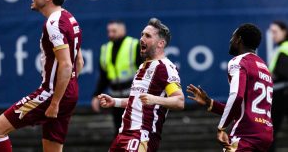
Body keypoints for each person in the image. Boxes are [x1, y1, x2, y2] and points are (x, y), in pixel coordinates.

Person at [0, 0, 84, 152]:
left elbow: (66, 65)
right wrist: (68, 88)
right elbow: (79, 60)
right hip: (68, 92)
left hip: (52, 93)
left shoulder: (53, 23)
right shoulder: (70, 18)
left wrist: (55, 102)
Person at [98, 18, 184, 152]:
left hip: (142, 135)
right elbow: (138, 100)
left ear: (161, 43)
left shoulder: (165, 67)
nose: (142, 39)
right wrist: (114, 101)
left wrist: (155, 99)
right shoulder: (143, 66)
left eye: (148, 36)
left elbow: (179, 101)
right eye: (142, 34)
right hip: (123, 133)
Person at [187, 24, 273, 152]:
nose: (230, 40)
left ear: (239, 39)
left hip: (246, 135)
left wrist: (221, 127)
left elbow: (237, 96)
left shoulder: (238, 61)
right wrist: (210, 103)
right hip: (265, 135)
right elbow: (243, 110)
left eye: (233, 36)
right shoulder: (264, 68)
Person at [91, 20, 143, 135]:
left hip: (133, 98)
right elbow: (104, 76)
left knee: (135, 132)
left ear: (122, 30)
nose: (110, 34)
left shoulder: (134, 46)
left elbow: (145, 72)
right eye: (109, 31)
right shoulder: (105, 49)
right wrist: (96, 95)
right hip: (115, 99)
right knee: (119, 132)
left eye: (114, 31)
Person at [268, 21, 288, 152]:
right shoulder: (281, 48)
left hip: (282, 95)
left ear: (284, 31)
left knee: (269, 133)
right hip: (279, 95)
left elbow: (283, 72)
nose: (272, 35)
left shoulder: (285, 48)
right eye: (271, 32)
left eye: (275, 32)